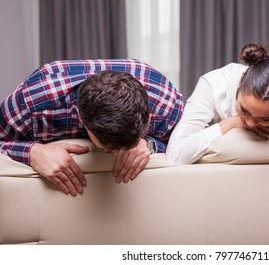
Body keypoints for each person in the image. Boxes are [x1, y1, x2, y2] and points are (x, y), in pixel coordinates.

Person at [0, 59, 183, 196]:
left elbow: (186, 145)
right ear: (81, 118)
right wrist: (33, 152)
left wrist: (149, 145)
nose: (118, 154)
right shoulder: (30, 102)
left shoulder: (166, 104)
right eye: (109, 148)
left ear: (148, 116)